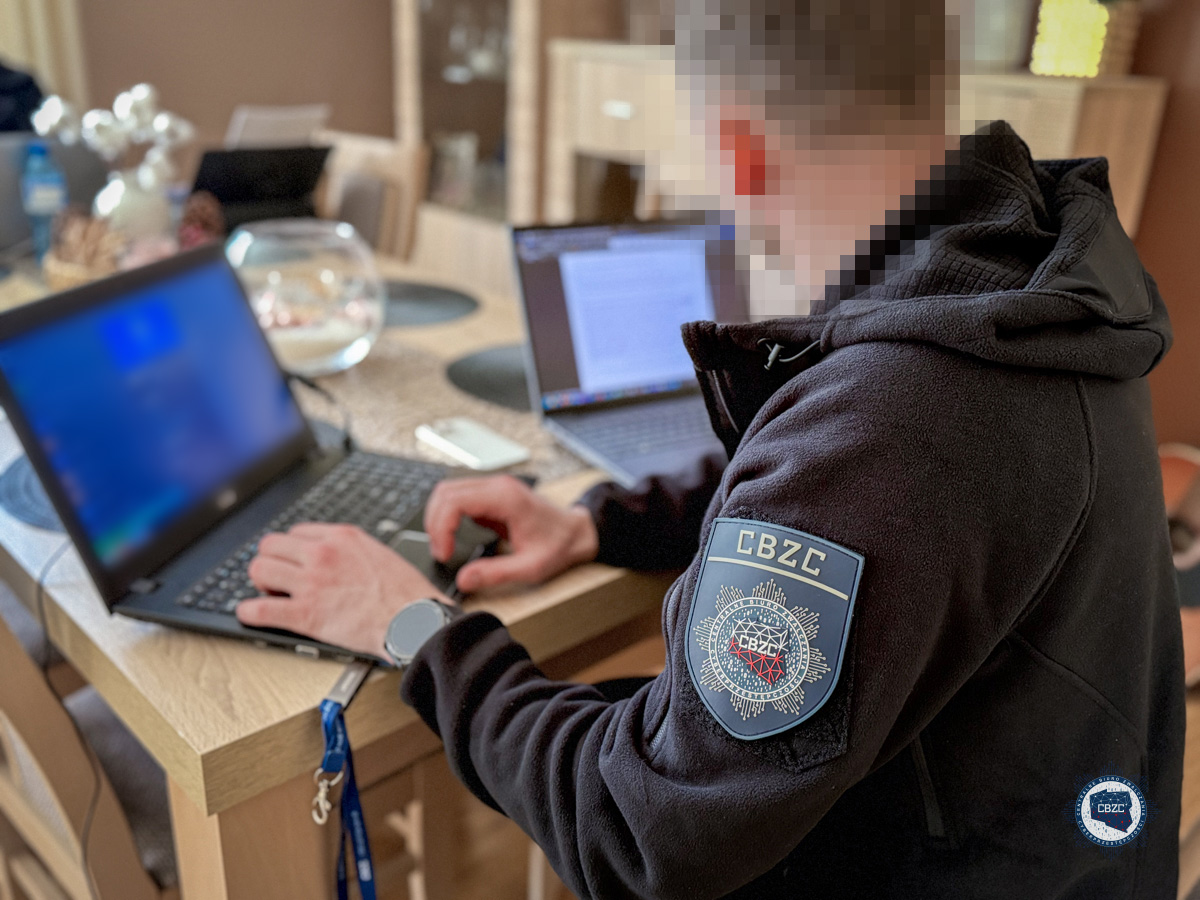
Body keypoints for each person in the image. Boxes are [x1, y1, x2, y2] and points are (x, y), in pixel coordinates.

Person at [237, 1, 1184, 896]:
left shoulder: (895, 424)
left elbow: (638, 833)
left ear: (737, 144)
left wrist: (414, 627)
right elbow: (840, 477)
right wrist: (595, 525)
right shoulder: (1024, 278)